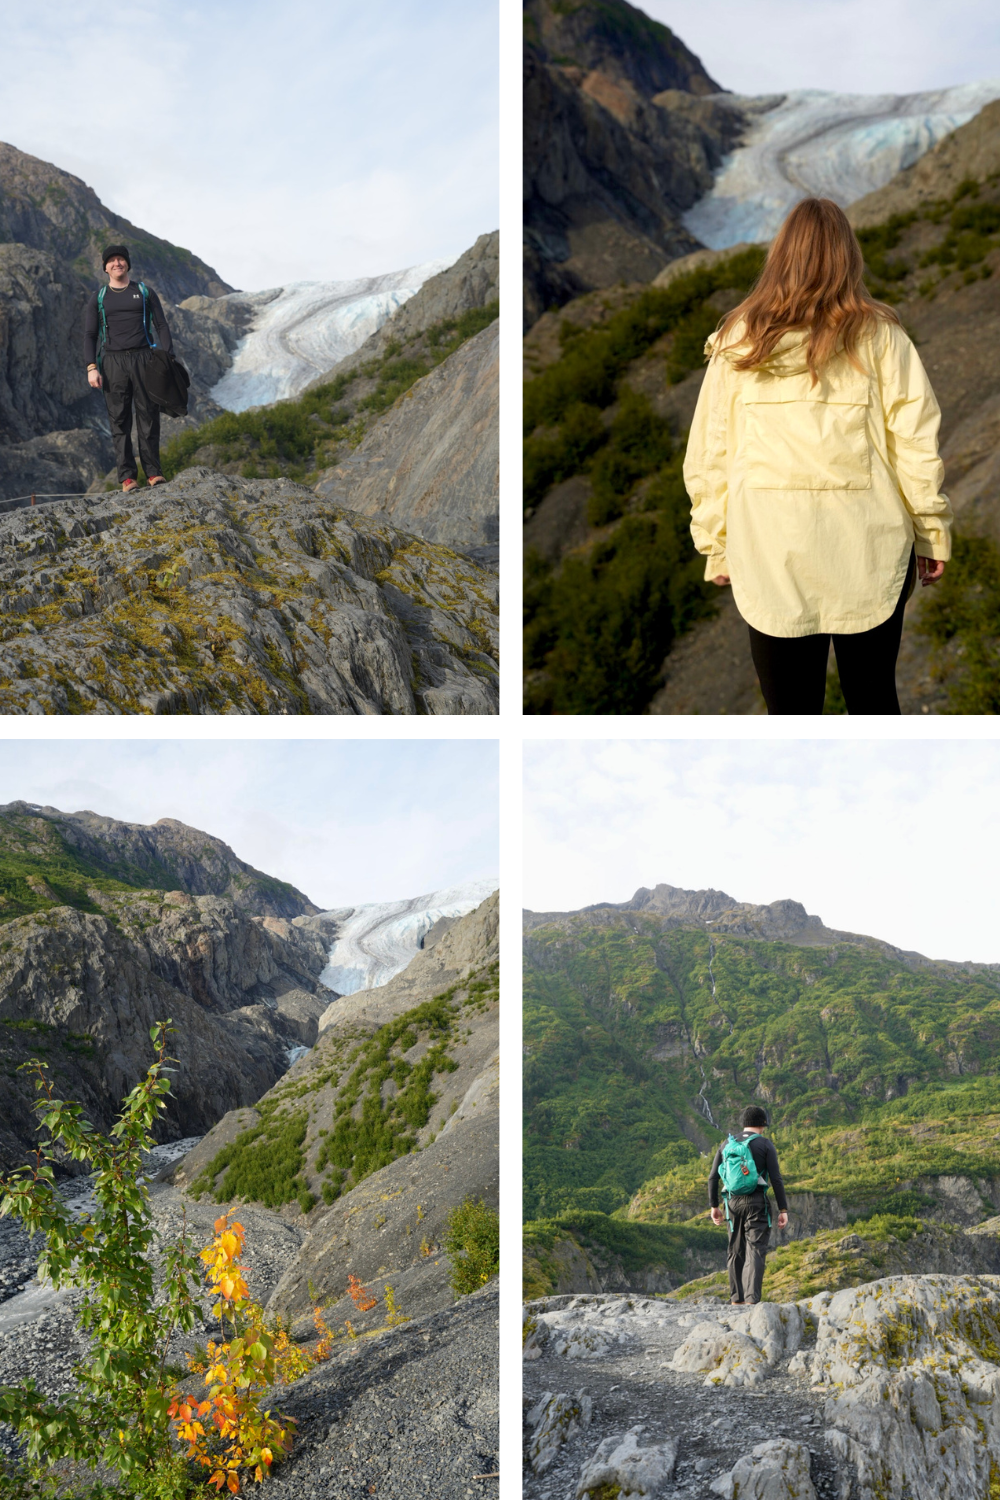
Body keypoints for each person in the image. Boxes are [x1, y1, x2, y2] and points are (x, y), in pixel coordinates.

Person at [684, 197, 952, 715]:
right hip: (869, 555)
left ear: (779, 256)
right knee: (874, 702)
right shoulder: (882, 337)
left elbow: (709, 454)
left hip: (769, 558)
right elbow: (915, 445)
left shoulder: (737, 344)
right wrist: (931, 530)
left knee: (790, 715)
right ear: (848, 257)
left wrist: (716, 544)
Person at [83, 245, 172, 493]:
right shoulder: (99, 298)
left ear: (127, 264)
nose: (117, 263)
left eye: (121, 259)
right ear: (105, 267)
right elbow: (90, 335)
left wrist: (168, 357)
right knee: (119, 420)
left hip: (145, 359)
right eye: (111, 260)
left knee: (149, 417)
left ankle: (154, 473)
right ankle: (127, 478)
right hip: (112, 363)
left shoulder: (144, 292)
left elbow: (162, 325)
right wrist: (92, 367)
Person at [708, 1105, 789, 1307]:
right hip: (757, 1202)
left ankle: (737, 1300)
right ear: (762, 1125)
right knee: (756, 1250)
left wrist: (714, 1206)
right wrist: (783, 1210)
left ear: (743, 1124)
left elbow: (712, 1177)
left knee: (735, 1250)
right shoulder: (765, 1144)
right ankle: (752, 1301)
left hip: (732, 1203)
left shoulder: (727, 1143)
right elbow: (777, 1179)